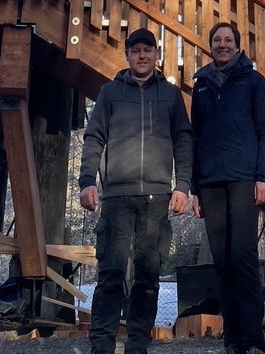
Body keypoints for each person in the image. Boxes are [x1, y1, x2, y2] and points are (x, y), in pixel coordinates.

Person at [79, 28, 192, 354]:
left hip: (156, 200)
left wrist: (182, 186)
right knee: (111, 275)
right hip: (115, 199)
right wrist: (87, 181)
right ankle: (100, 347)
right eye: (136, 50)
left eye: (148, 50)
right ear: (128, 55)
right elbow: (94, 137)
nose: (142, 56)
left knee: (146, 279)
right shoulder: (109, 93)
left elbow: (184, 140)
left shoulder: (170, 96)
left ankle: (137, 347)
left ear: (156, 56)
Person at [191, 20, 265, 354]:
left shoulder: (253, 82)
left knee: (243, 258)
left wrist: (263, 177)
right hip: (211, 182)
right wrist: (196, 187)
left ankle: (253, 338)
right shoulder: (200, 86)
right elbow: (195, 137)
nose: (223, 44)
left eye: (228, 40)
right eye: (217, 40)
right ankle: (233, 340)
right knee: (223, 262)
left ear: (237, 46)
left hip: (244, 179)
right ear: (210, 45)